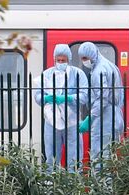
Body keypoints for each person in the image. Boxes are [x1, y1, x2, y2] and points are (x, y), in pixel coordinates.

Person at [34, 44, 88, 172]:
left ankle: (74, 186)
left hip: (72, 121)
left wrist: (68, 98)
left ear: (68, 59)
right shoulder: (47, 74)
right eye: (58, 60)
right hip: (51, 121)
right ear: (54, 59)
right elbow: (37, 96)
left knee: (74, 158)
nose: (60, 63)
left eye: (63, 60)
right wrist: (46, 98)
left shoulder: (77, 74)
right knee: (51, 157)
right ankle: (50, 185)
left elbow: (85, 96)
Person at [77, 42, 124, 163]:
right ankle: (107, 182)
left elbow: (102, 98)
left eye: (85, 58)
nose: (84, 61)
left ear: (92, 55)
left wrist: (90, 118)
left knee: (99, 156)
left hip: (104, 118)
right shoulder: (110, 66)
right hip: (115, 115)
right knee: (109, 155)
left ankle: (101, 182)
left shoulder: (98, 71)